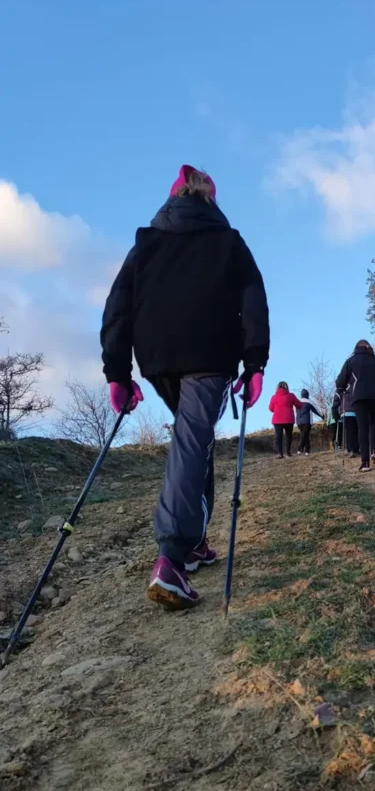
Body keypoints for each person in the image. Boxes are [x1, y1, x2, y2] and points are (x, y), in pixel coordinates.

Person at [101, 164, 269, 610]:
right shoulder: (228, 241)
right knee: (193, 438)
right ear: (210, 200)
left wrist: (118, 372)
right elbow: (253, 300)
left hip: (157, 357)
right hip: (210, 354)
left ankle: (192, 543)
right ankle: (171, 557)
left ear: (172, 198)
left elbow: (118, 306)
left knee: (194, 436)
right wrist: (254, 363)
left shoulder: (146, 243)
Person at [335, 341, 375, 472]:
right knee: (374, 423)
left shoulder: (350, 361)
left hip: (358, 397)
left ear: (356, 348)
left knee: (362, 427)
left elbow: (340, 382)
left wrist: (342, 388)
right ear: (369, 348)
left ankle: (365, 462)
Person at [269, 382, 302, 457]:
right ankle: (288, 452)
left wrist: (277, 409)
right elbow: (299, 405)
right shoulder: (291, 396)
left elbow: (270, 408)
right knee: (288, 436)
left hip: (277, 419)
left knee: (278, 436)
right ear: (287, 387)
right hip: (289, 419)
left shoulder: (274, 397)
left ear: (277, 388)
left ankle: (280, 453)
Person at [331, 385, 359, 456]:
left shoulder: (340, 388)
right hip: (357, 411)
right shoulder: (355, 384)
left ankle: (351, 449)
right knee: (356, 431)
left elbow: (336, 401)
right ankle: (355, 449)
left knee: (349, 431)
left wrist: (335, 415)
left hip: (346, 412)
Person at [296, 388, 323, 455]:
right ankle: (300, 449)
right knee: (304, 435)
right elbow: (316, 410)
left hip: (298, 422)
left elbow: (294, 411)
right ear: (307, 395)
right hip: (307, 421)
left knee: (305, 435)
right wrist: (322, 416)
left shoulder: (297, 402)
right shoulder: (309, 402)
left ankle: (307, 450)